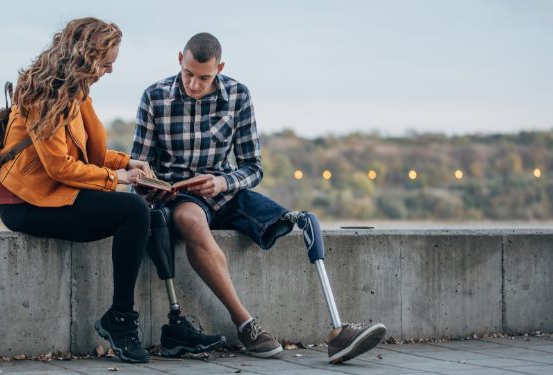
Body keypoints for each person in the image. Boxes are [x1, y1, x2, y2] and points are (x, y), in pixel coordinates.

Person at [131, 32, 386, 363]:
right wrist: (149, 184)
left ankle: (339, 331)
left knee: (302, 219)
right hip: (180, 197)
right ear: (180, 60)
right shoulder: (154, 96)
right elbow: (139, 165)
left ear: (220, 68)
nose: (194, 84)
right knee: (189, 219)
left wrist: (224, 182)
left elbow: (253, 168)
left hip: (225, 191)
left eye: (204, 77)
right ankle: (246, 325)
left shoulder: (238, 95)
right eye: (189, 74)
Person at [0, 17, 155, 364]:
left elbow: (88, 155)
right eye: (107, 62)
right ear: (86, 54)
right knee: (134, 211)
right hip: (25, 202)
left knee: (149, 214)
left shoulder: (75, 91)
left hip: (53, 192)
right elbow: (59, 166)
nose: (110, 71)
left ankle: (150, 320)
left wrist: (128, 163)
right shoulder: (43, 91)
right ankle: (121, 320)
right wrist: (117, 179)